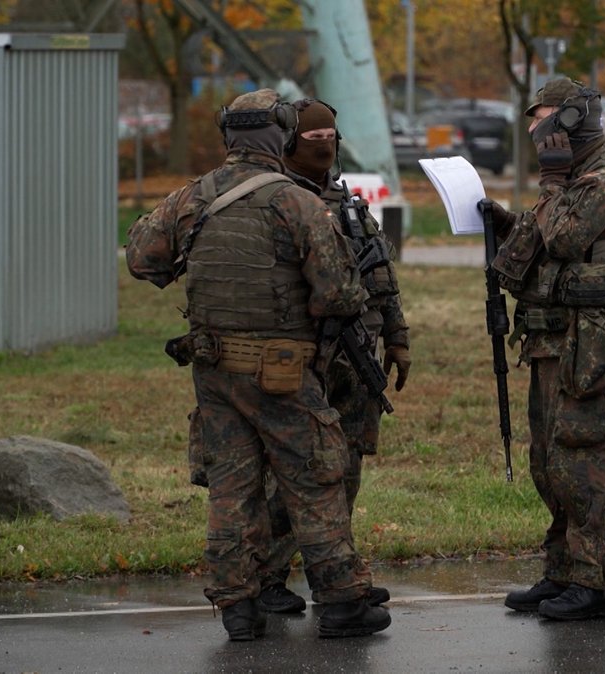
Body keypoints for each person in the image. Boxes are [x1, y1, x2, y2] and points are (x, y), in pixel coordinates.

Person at [125, 88, 391, 641]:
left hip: (215, 372)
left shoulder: (191, 197)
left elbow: (141, 259)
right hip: (283, 371)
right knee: (316, 478)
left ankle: (237, 608)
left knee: (231, 489)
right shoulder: (297, 203)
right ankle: (342, 602)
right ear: (284, 135)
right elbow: (341, 295)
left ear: (229, 136)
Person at [479, 77, 605, 621]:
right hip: (552, 336)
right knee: (548, 461)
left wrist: (551, 182)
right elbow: (540, 241)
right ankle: (563, 571)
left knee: (580, 458)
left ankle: (598, 583)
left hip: (588, 339)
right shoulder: (573, 176)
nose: (533, 126)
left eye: (542, 116)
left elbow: (564, 239)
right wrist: (503, 221)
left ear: (571, 120)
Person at [256, 97, 411, 614]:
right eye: (312, 139)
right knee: (294, 473)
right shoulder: (277, 203)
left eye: (330, 140)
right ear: (288, 143)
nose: (323, 148)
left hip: (357, 359)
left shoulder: (348, 205)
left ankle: (339, 572)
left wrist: (397, 337)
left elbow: (380, 276)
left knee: (346, 470)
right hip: (306, 357)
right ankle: (267, 578)